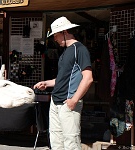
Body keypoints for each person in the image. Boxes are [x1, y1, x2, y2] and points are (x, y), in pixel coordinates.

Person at [33, 16, 93, 150]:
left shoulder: (80, 49)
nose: (54, 39)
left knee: (71, 143)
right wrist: (46, 83)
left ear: (65, 32)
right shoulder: (65, 52)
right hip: (55, 102)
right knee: (56, 142)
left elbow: (88, 78)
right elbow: (62, 79)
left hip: (68, 103)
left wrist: (74, 100)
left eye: (56, 35)